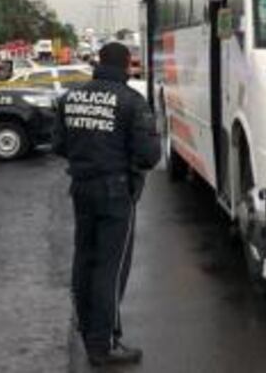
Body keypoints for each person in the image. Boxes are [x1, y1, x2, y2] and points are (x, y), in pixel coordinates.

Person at [53, 42, 161, 367]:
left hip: (81, 189)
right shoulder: (132, 101)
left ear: (99, 62)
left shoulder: (70, 98)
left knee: (85, 261)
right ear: (127, 64)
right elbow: (149, 155)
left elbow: (58, 145)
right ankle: (105, 344)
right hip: (116, 193)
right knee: (110, 270)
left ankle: (87, 332)